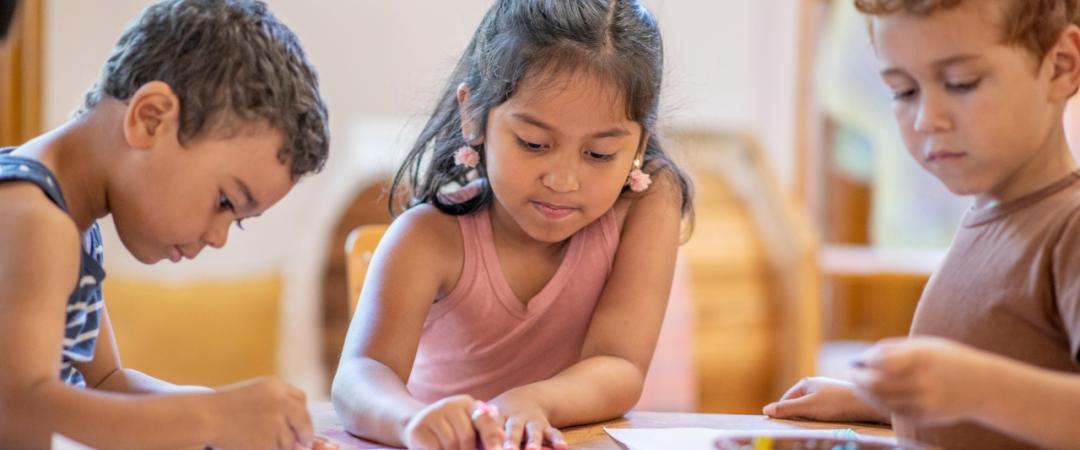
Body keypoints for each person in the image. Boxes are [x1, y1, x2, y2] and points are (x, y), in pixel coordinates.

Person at [330, 1, 693, 449]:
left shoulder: (647, 202)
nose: (563, 180)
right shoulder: (427, 238)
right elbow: (360, 375)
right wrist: (410, 422)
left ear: (640, 140)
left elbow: (618, 364)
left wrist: (531, 402)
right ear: (474, 115)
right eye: (534, 143)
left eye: (599, 154)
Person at [0, 1, 330, 448]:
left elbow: (104, 381)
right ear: (150, 118)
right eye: (224, 201)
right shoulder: (34, 217)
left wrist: (233, 419)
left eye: (238, 221)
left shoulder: (70, 219)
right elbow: (16, 407)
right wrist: (211, 418)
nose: (217, 237)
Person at [764, 1, 1080, 448]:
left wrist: (976, 389)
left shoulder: (1069, 227)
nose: (927, 118)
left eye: (961, 83)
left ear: (1061, 67)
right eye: (903, 91)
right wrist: (882, 400)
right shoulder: (989, 217)